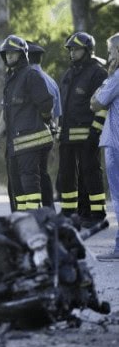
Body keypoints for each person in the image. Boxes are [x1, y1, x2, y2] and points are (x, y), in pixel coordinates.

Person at [58, 32, 108, 227]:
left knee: (90, 172)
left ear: (87, 50)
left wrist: (96, 131)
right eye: (70, 49)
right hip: (67, 134)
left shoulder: (98, 73)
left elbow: (102, 105)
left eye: (76, 49)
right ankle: (70, 213)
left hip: (88, 134)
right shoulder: (69, 73)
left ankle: (96, 213)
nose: (72, 53)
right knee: (67, 174)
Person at [0, 35, 54, 212]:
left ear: (22, 54)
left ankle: (34, 219)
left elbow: (46, 104)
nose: (9, 56)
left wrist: (42, 120)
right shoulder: (11, 79)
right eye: (6, 53)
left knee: (29, 183)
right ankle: (23, 219)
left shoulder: (30, 75)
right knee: (17, 186)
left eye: (13, 53)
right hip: (15, 143)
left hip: (31, 141)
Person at [91, 32, 119, 260]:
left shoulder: (116, 77)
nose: (108, 57)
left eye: (110, 52)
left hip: (116, 144)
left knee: (118, 198)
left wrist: (107, 79)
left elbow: (96, 102)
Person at [27, 41, 59, 210]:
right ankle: (49, 208)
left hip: (29, 135)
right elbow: (57, 113)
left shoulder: (26, 79)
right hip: (47, 135)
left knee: (29, 175)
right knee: (43, 172)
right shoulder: (51, 81)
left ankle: (34, 211)